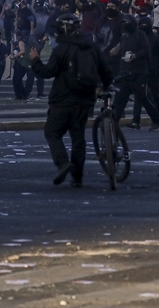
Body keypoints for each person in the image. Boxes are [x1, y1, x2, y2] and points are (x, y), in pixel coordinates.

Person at [30, 14, 112, 187]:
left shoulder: (61, 49)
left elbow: (47, 72)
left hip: (61, 100)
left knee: (52, 132)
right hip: (85, 100)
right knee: (78, 137)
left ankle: (62, 162)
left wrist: (35, 60)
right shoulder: (91, 47)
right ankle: (77, 177)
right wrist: (105, 86)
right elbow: (105, 70)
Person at [111, 17, 159, 128]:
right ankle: (113, 123)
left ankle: (157, 121)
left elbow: (146, 51)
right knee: (119, 99)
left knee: (143, 98)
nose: (124, 25)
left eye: (126, 23)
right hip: (124, 72)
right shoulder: (124, 36)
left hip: (138, 72)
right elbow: (117, 49)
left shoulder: (140, 35)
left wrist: (135, 56)